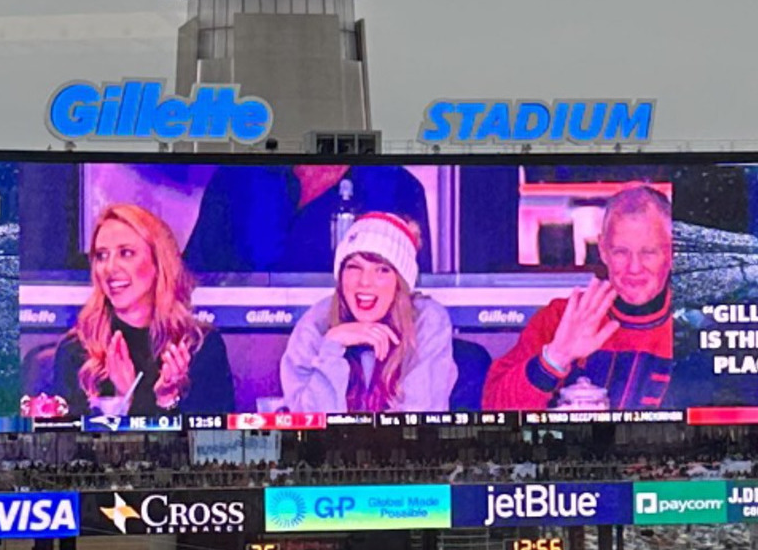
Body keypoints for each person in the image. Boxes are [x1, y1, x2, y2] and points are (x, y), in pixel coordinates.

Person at [482, 185, 674, 411]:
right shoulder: (561, 318)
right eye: (620, 252)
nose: (634, 268)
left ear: (673, 252)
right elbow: (493, 409)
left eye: (648, 252)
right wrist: (555, 357)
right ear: (603, 250)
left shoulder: (698, 328)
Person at [53, 204, 235, 416]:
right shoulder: (77, 350)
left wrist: (166, 400)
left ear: (158, 263)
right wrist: (123, 399)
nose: (110, 268)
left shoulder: (199, 347)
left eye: (126, 253)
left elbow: (215, 443)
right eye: (101, 255)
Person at [279, 212, 457, 413]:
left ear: (401, 283)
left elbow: (418, 423)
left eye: (382, 270)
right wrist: (332, 345)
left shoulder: (426, 319)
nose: (364, 282)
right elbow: (306, 427)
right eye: (354, 267)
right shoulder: (316, 322)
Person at [183, 164, 433, 276]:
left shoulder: (398, 188)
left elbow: (412, 301)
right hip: (240, 352)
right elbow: (190, 280)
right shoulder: (237, 177)